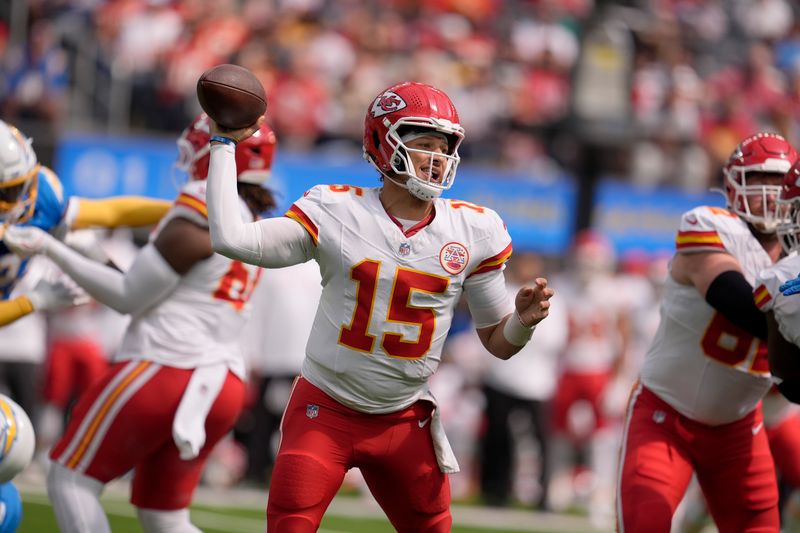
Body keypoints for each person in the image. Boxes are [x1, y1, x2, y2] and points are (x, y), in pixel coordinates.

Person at [203, 81, 555, 532]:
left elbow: (498, 343)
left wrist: (522, 324)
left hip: (404, 418)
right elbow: (230, 238)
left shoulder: (475, 230)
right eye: (423, 143)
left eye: (443, 146)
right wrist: (222, 144)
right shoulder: (335, 210)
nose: (436, 157)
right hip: (326, 409)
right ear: (381, 144)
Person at [2, 113, 279, 533]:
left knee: (68, 477)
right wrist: (88, 252)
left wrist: (51, 252)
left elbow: (127, 297)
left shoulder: (198, 207)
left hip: (164, 366)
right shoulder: (246, 218)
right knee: (164, 517)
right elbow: (143, 284)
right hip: (221, 380)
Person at [616, 132, 797, 532]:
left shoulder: (795, 257)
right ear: (732, 186)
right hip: (665, 416)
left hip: (740, 428)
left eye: (778, 183)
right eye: (758, 181)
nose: (769, 195)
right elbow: (734, 300)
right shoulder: (709, 224)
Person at [0, 119, 172, 327]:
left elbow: (110, 213)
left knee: (82, 241)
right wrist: (32, 302)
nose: (26, 195)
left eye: (26, 183)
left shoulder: (43, 196)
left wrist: (180, 207)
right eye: (10, 191)